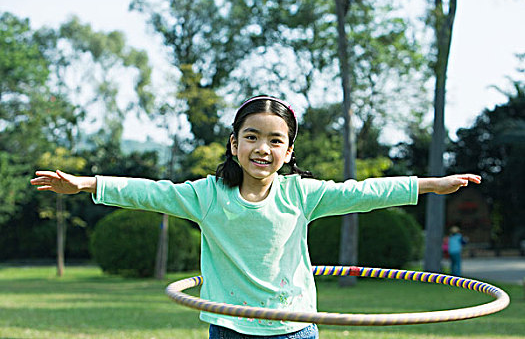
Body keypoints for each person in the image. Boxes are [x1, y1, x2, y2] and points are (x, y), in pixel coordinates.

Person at [30, 95, 481, 339]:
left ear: (288, 152)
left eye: (274, 141)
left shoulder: (301, 195)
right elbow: (150, 192)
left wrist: (429, 184)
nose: (262, 148)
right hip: (229, 330)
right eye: (251, 137)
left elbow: (364, 192)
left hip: (294, 329)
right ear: (233, 144)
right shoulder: (207, 196)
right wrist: (86, 184)